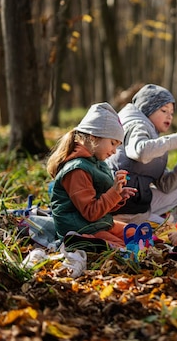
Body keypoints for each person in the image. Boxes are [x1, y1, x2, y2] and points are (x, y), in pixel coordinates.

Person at [106, 84, 177, 225]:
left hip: (135, 201)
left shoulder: (153, 137)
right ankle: (149, 221)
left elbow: (165, 186)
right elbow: (140, 152)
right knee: (171, 227)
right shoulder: (137, 125)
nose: (169, 116)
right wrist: (176, 140)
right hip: (116, 203)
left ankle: (151, 219)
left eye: (172, 113)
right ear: (147, 108)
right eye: (164, 110)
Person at [46, 102, 137, 248]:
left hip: (96, 224)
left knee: (136, 233)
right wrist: (113, 193)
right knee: (124, 249)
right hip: (81, 229)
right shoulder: (77, 170)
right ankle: (80, 243)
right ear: (94, 137)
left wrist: (118, 194)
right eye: (113, 143)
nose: (114, 151)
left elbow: (99, 205)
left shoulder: (97, 163)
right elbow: (91, 212)